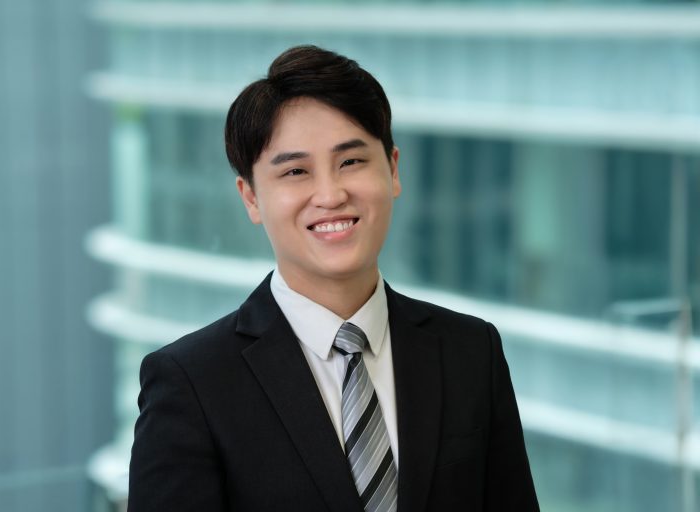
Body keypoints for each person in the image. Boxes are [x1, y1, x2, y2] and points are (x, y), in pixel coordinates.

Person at [128, 45, 539, 512]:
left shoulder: (471, 351)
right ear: (251, 198)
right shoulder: (192, 383)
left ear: (393, 169)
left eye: (351, 162)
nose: (330, 194)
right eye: (296, 171)